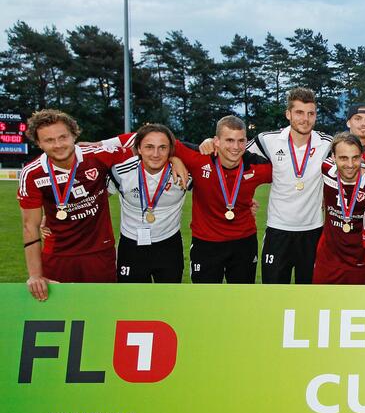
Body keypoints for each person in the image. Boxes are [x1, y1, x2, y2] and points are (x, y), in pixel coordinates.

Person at [18, 109, 135, 300]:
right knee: (60, 313)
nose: (58, 145)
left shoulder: (98, 155)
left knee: (102, 308)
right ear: (38, 143)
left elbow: (147, 141)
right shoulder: (32, 173)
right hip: (58, 254)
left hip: (99, 251)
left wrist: (175, 157)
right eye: (49, 140)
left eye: (63, 137)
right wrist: (35, 275)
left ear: (74, 135)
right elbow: (29, 226)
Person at [243, 87, 333, 284]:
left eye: (311, 113)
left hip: (313, 232)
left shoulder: (327, 144)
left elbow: (359, 156)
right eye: (299, 112)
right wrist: (208, 142)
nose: (305, 119)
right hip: (278, 231)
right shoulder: (267, 140)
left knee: (310, 297)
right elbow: (233, 156)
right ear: (288, 114)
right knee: (273, 297)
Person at [174, 115, 273, 284]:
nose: (236, 147)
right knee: (206, 302)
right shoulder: (199, 158)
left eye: (241, 141)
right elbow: (158, 139)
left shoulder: (259, 167)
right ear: (216, 141)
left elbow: (291, 176)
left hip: (244, 243)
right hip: (206, 244)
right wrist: (173, 158)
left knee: (242, 301)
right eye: (229, 140)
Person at [108, 124, 189, 283]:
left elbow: (212, 188)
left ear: (170, 150)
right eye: (149, 147)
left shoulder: (184, 174)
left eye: (162, 148)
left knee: (168, 301)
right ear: (138, 148)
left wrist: (246, 202)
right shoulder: (120, 172)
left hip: (169, 245)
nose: (156, 154)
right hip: (131, 245)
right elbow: (96, 198)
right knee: (132, 303)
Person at [313, 134, 365, 284]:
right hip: (328, 260)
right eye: (343, 158)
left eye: (355, 157)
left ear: (362, 157)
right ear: (333, 157)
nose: (350, 164)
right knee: (321, 305)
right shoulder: (326, 168)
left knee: (358, 307)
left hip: (360, 261)